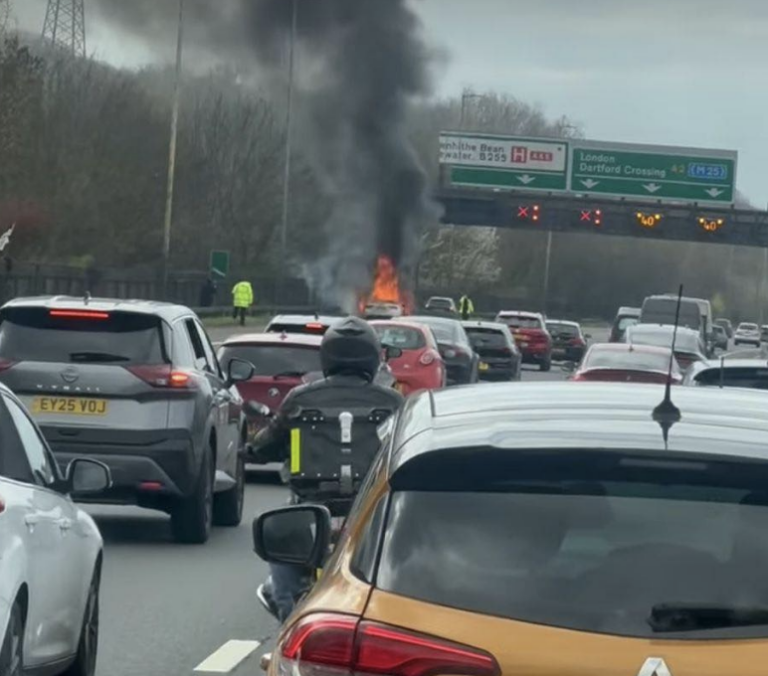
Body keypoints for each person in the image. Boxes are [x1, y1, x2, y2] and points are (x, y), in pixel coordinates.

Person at [250, 317, 404, 617]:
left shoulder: (299, 398)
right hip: (371, 512)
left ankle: (289, 624)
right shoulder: (393, 401)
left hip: (308, 507)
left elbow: (267, 442)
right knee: (399, 575)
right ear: (372, 357)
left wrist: (253, 449)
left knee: (283, 573)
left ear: (327, 355)